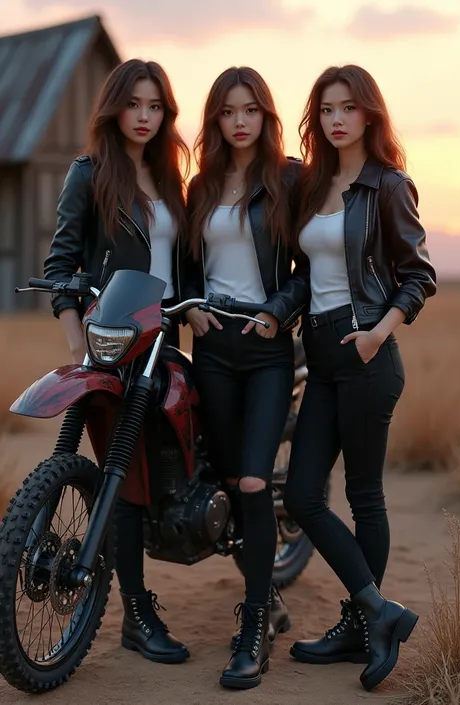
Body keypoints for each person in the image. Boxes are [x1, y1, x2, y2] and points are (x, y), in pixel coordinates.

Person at [283, 64, 436, 692]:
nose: (336, 118)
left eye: (348, 106)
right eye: (325, 109)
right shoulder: (313, 183)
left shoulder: (388, 186)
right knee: (300, 497)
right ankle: (378, 612)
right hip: (318, 356)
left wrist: (378, 332)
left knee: (364, 496)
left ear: (369, 114)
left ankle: (359, 625)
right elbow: (303, 271)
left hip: (368, 353)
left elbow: (418, 274)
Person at [44, 59, 190, 664]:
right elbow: (60, 265)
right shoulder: (89, 174)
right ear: (114, 108)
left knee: (188, 457)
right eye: (134, 105)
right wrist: (77, 343)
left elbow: (182, 264)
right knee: (122, 483)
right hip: (116, 342)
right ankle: (135, 612)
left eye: (156, 107)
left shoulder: (172, 177)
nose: (145, 118)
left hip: (168, 339)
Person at [183, 66, 309, 689]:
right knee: (231, 483)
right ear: (215, 120)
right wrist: (193, 308)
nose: (239, 122)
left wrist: (276, 312)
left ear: (265, 116)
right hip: (214, 350)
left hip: (264, 349)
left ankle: (253, 625)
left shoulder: (287, 178)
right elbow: (184, 269)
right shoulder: (200, 187)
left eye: (250, 110)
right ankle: (268, 597)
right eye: (228, 112)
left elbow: (310, 269)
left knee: (257, 481)